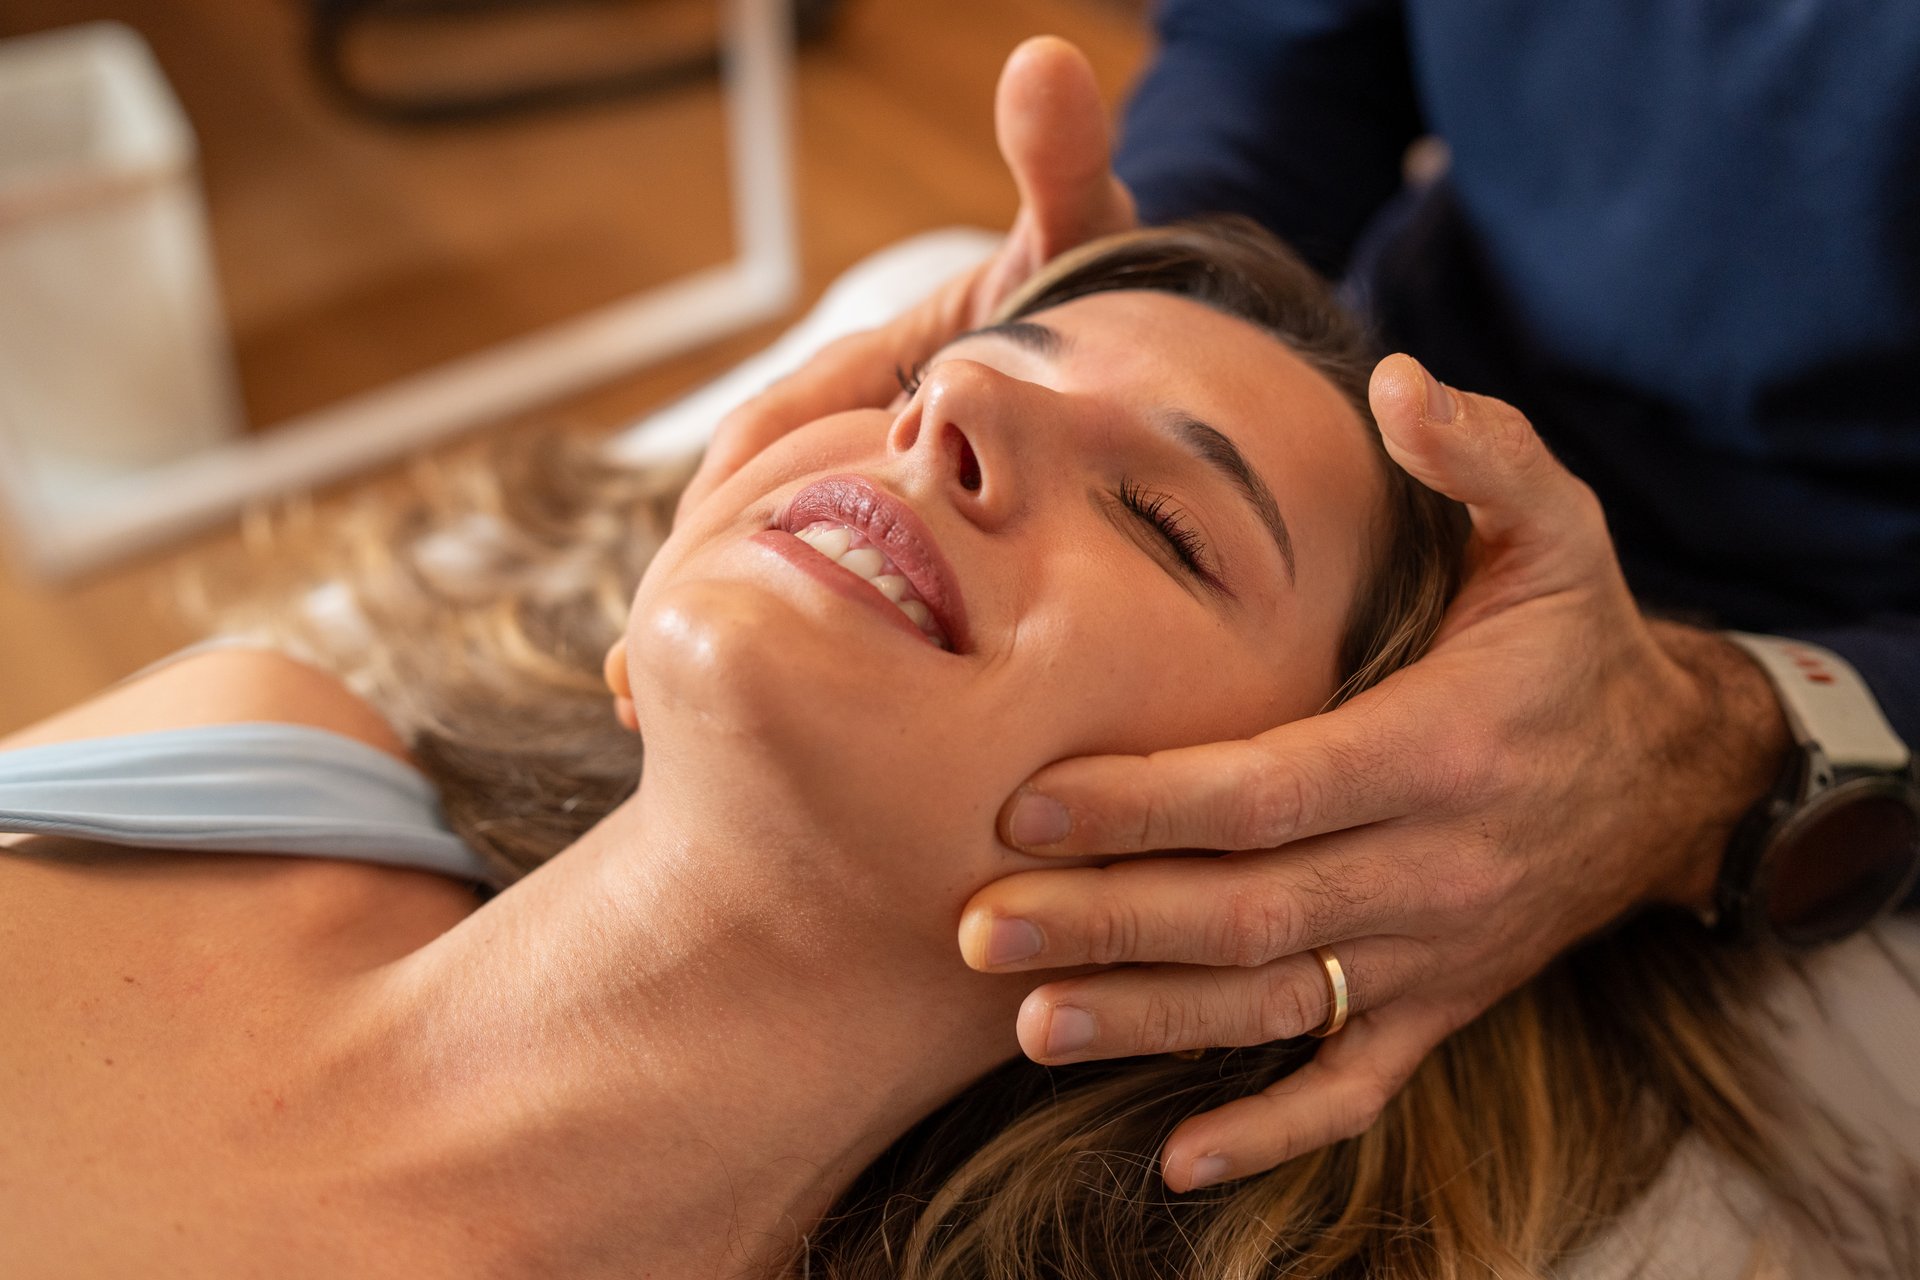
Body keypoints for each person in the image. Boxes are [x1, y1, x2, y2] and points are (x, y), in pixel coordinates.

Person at [6, 219, 1908, 1277]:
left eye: (1169, 527)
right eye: (938, 378)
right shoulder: (240, 739)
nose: (960, 397)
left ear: (1282, 878)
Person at [679, 30, 1920, 1192]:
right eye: (982, 360)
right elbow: (1277, 48)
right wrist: (1148, 294)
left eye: (1163, 530)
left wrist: (1722, 740)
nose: (948, 395)